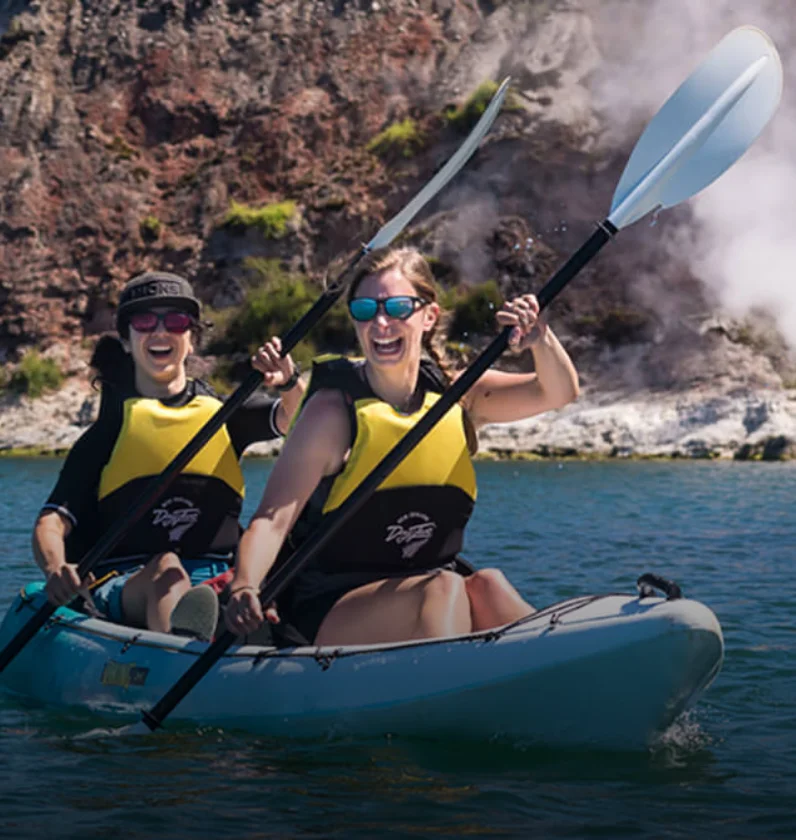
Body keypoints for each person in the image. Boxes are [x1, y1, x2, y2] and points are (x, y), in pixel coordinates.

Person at [224, 246, 579, 646]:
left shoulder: (459, 395)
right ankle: (452, 677)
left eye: (397, 307)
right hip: (329, 605)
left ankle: (558, 659)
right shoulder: (330, 414)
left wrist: (540, 339)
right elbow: (271, 520)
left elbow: (558, 392)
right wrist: (245, 585)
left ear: (429, 316)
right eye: (365, 310)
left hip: (429, 589)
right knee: (443, 588)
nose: (380, 322)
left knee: (487, 585)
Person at [32, 270, 305, 640]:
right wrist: (55, 567)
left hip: (218, 578)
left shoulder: (225, 415)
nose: (160, 331)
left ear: (191, 340)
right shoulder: (108, 432)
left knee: (276, 570)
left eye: (175, 321)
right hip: (127, 582)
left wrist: (289, 381)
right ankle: (183, 646)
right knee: (167, 569)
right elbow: (51, 522)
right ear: (126, 340)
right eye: (145, 321)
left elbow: (298, 418)